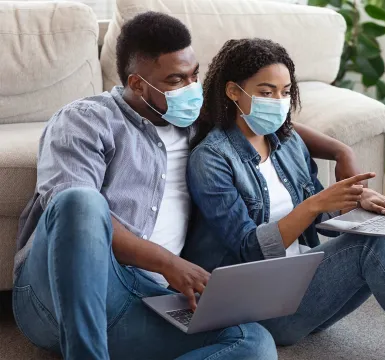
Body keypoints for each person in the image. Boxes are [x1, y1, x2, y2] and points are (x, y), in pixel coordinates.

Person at [12, 11, 365, 360]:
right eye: (176, 80)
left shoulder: (194, 118)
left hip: (144, 298)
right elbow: (71, 220)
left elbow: (263, 123)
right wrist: (169, 264)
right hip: (55, 298)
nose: (191, 89)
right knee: (80, 202)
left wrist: (338, 150)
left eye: (195, 75)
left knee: (253, 344)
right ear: (137, 84)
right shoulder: (85, 120)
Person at [183, 38, 385, 360]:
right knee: (371, 245)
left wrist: (351, 205)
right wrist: (315, 204)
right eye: (266, 92)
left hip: (305, 287)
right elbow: (248, 250)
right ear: (232, 92)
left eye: (285, 92)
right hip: (260, 307)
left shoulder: (288, 141)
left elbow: (321, 228)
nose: (278, 102)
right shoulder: (211, 159)